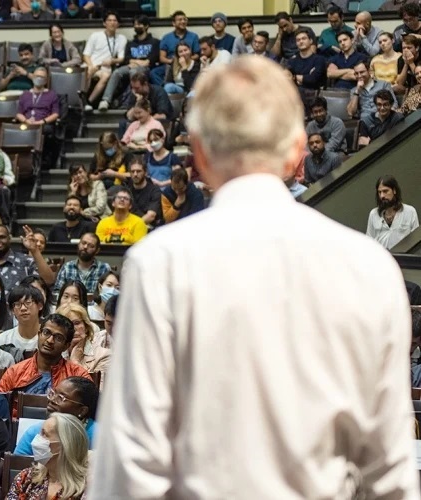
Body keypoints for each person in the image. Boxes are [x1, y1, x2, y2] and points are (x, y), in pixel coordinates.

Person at [89, 54, 421, 499]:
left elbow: (129, 468)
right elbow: (390, 471)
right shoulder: (371, 267)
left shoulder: (160, 263)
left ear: (200, 156)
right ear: (298, 150)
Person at [0, 313, 90, 396]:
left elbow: (90, 412)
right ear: (39, 334)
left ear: (66, 345)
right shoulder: (14, 372)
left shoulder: (79, 376)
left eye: (58, 338)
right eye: (46, 333)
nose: (50, 340)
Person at [8, 412, 89, 499]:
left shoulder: (88, 491)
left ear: (65, 445)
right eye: (40, 433)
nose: (37, 439)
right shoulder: (26, 478)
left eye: (44, 434)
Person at [97, 14, 160, 112]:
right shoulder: (130, 43)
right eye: (135, 24)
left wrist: (136, 62)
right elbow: (127, 59)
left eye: (140, 24)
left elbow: (150, 61)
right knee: (117, 72)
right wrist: (134, 62)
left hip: (145, 69)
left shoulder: (154, 42)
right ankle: (105, 100)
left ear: (146, 26)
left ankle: (132, 102)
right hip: (130, 66)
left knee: (133, 72)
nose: (137, 26)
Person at [82, 11, 127, 111]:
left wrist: (112, 61)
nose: (112, 23)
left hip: (105, 68)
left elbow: (121, 58)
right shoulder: (95, 36)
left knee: (106, 75)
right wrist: (91, 66)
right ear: (104, 23)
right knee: (88, 71)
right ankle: (82, 100)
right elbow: (86, 55)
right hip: (91, 65)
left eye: (115, 21)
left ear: (118, 24)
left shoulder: (121, 38)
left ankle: (89, 102)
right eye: (109, 20)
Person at [366, 174, 419, 249]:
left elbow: (416, 241)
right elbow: (369, 242)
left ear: (394, 190)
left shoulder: (410, 212)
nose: (382, 196)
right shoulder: (373, 214)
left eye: (385, 191)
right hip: (382, 258)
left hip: (404, 258)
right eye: (379, 192)